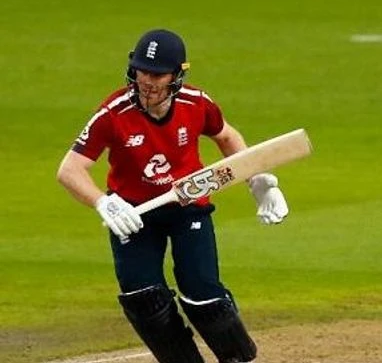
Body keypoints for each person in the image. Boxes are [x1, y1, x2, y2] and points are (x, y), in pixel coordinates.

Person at [56, 28, 290, 363]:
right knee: (142, 298)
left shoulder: (197, 103)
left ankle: (236, 357)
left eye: (157, 74)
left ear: (177, 75)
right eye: (142, 71)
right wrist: (103, 202)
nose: (147, 81)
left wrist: (257, 182)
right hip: (134, 214)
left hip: (187, 206)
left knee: (202, 294)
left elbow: (226, 137)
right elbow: (70, 169)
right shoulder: (113, 113)